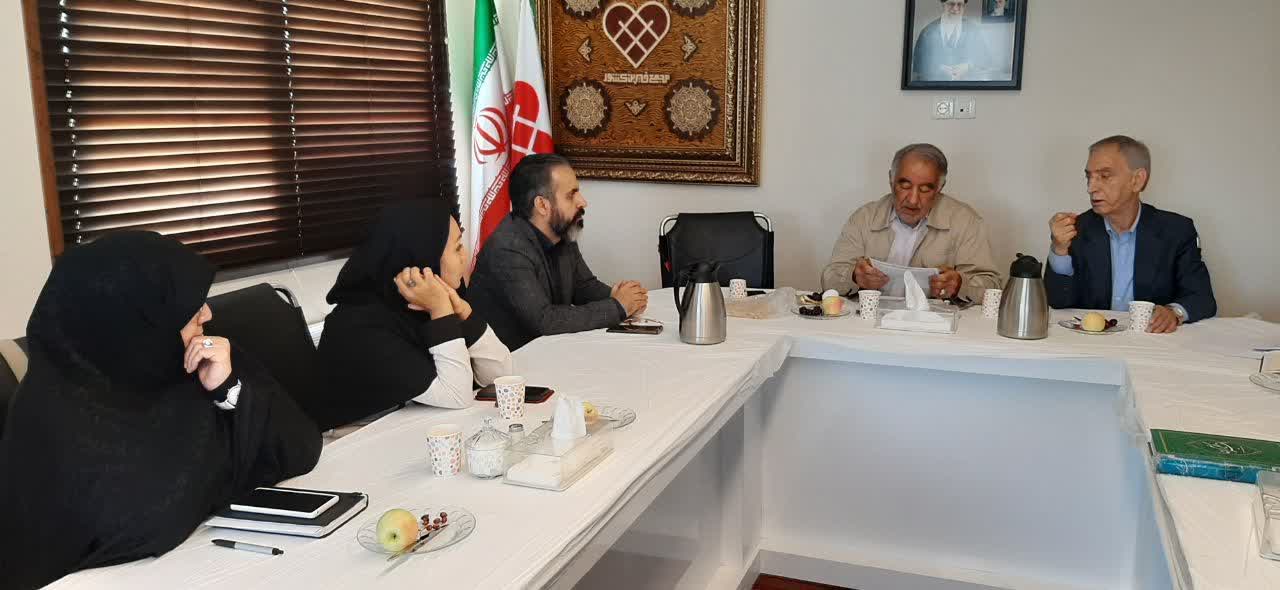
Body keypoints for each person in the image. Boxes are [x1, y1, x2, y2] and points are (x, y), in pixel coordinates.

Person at [0, 232, 321, 590]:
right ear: (130, 320)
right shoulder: (55, 423)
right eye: (187, 304)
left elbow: (302, 449)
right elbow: (145, 525)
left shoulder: (190, 360)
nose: (207, 312)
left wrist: (229, 390)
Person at [313, 200, 512, 429]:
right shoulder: (360, 324)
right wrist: (441, 312)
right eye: (457, 247)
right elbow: (458, 396)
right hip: (354, 442)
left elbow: (501, 377)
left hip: (410, 426)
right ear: (423, 256)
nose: (465, 256)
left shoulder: (422, 303)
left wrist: (464, 314)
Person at [469, 154, 648, 351]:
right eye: (571, 195)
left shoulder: (560, 233)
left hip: (548, 351)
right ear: (542, 205)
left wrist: (621, 296)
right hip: (513, 362)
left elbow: (583, 287)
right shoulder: (507, 250)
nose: (583, 202)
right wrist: (617, 307)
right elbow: (544, 321)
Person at [1045, 136, 1216, 333]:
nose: (1091, 188)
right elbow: (1057, 302)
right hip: (1091, 343)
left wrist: (1173, 312)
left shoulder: (1176, 230)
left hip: (1152, 342)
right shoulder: (1075, 229)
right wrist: (1059, 250)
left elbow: (1202, 298)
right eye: (1088, 177)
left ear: (1137, 180)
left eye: (1105, 176)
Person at [824, 143, 1002, 302]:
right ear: (891, 180)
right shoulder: (864, 218)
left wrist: (960, 285)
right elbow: (829, 279)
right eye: (905, 186)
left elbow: (992, 287)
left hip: (936, 323)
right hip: (871, 320)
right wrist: (854, 276)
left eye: (925, 190)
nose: (913, 200)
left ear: (939, 188)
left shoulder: (965, 221)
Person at [912, 0, 994, 82]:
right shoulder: (928, 32)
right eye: (951, 4)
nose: (955, 8)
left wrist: (968, 66)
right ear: (943, 4)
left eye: (960, 4)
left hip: (965, 85)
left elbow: (986, 61)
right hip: (935, 85)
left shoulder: (974, 31)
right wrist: (939, 68)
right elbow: (917, 65)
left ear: (964, 6)